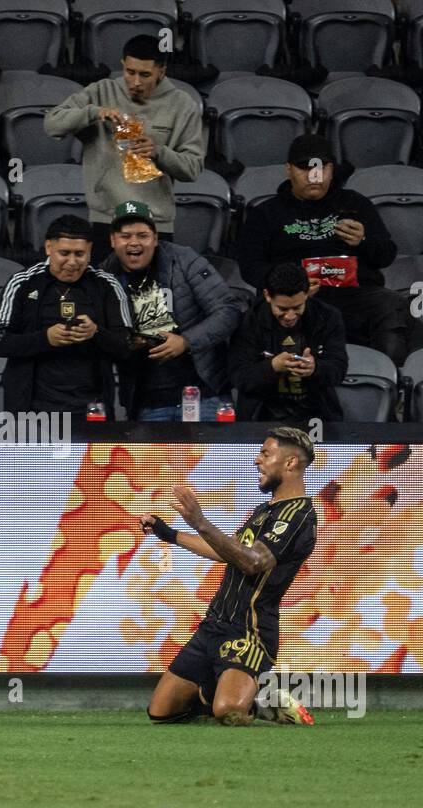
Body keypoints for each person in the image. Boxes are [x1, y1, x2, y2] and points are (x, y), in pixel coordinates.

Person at [142, 427, 319, 727]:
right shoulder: (264, 511)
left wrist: (200, 521)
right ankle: (220, 692)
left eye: (266, 454)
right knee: (160, 712)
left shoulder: (299, 515)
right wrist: (170, 534)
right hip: (213, 625)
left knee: (230, 712)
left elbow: (252, 563)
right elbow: (225, 552)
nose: (257, 461)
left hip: (249, 631)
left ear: (290, 463)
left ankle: (262, 700)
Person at [236, 134, 409, 366]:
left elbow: (386, 255)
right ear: (288, 170)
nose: (314, 176)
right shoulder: (266, 213)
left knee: (392, 304)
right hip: (295, 298)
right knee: (262, 313)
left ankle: (388, 378)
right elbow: (251, 268)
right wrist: (292, 280)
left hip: (354, 295)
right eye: (304, 168)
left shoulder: (355, 204)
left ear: (331, 170)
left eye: (322, 168)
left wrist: (364, 241)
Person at [44, 34, 205, 254]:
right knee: (104, 288)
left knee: (150, 290)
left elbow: (192, 168)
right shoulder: (101, 91)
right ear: (123, 65)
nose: (136, 82)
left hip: (155, 222)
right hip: (106, 218)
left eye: (145, 74)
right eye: (130, 72)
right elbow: (52, 124)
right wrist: (93, 113)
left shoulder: (183, 105)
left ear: (162, 72)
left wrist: (159, 152)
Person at [99, 200, 240, 421]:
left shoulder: (184, 260)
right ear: (112, 240)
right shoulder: (103, 277)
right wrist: (127, 342)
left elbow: (228, 310)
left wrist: (185, 342)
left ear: (155, 239)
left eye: (142, 235)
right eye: (125, 236)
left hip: (203, 395)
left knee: (208, 457)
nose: (134, 243)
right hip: (146, 404)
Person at [0, 215, 134, 416]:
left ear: (90, 251)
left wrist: (96, 333)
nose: (72, 262)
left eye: (80, 254)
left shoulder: (107, 285)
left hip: (91, 407)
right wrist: (45, 338)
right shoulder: (22, 282)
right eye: (64, 253)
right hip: (31, 408)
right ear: (49, 248)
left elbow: (126, 346)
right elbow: (0, 342)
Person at [229, 263, 348, 423]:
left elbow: (338, 369)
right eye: (282, 309)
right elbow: (240, 378)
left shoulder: (328, 317)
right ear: (267, 295)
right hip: (261, 415)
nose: (290, 316)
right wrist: (272, 367)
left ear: (307, 294)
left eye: (297, 307)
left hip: (316, 413)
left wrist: (315, 369)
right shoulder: (249, 321)